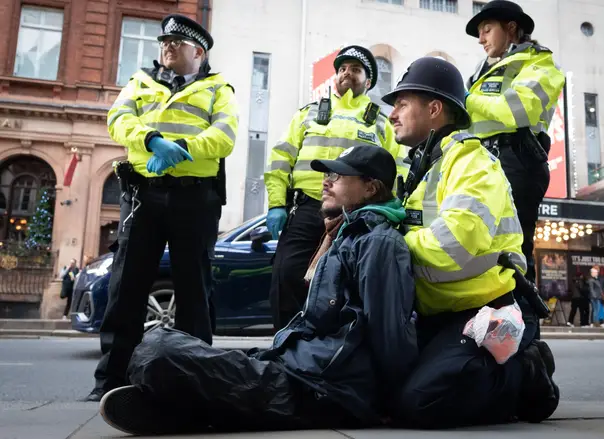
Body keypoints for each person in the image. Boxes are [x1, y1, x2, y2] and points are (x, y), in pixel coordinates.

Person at [97, 146, 418, 436]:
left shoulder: (379, 242)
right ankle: (187, 409)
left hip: (324, 387)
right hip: (298, 366)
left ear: (371, 187)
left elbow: (387, 332)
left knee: (159, 352)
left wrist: (387, 404)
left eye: (337, 175)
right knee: (160, 348)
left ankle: (183, 409)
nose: (325, 181)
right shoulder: (345, 235)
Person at [380, 56, 559, 428]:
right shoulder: (425, 165)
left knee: (421, 402)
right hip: (437, 313)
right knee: (378, 391)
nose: (392, 114)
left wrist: (394, 243)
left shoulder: (472, 162)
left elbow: (452, 244)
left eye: (401, 103)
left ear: (433, 108)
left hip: (482, 312)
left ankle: (525, 370)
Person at [85, 14, 238, 402]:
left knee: (194, 289)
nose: (167, 47)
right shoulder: (140, 81)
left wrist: (181, 151)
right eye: (164, 42)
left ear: (198, 52)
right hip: (142, 194)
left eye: (176, 43)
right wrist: (153, 140)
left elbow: (224, 136)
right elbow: (118, 120)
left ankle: (193, 378)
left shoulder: (219, 88)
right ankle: (111, 381)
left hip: (195, 197)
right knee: (127, 286)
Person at [264, 45, 408, 330]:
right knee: (286, 277)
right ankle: (286, 349)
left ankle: (327, 352)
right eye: (342, 69)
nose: (347, 74)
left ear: (368, 82)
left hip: (358, 215)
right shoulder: (309, 113)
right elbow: (281, 158)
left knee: (343, 285)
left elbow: (398, 167)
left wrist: (392, 208)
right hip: (308, 208)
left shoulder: (381, 122)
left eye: (355, 70)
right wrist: (276, 204)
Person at [465, 0, 566, 283]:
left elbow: (519, 110)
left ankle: (524, 323)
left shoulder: (538, 61)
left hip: (515, 162)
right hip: (480, 163)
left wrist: (468, 100)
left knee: (512, 253)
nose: (481, 39)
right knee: (478, 250)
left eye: (486, 30)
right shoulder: (481, 71)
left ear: (511, 29)